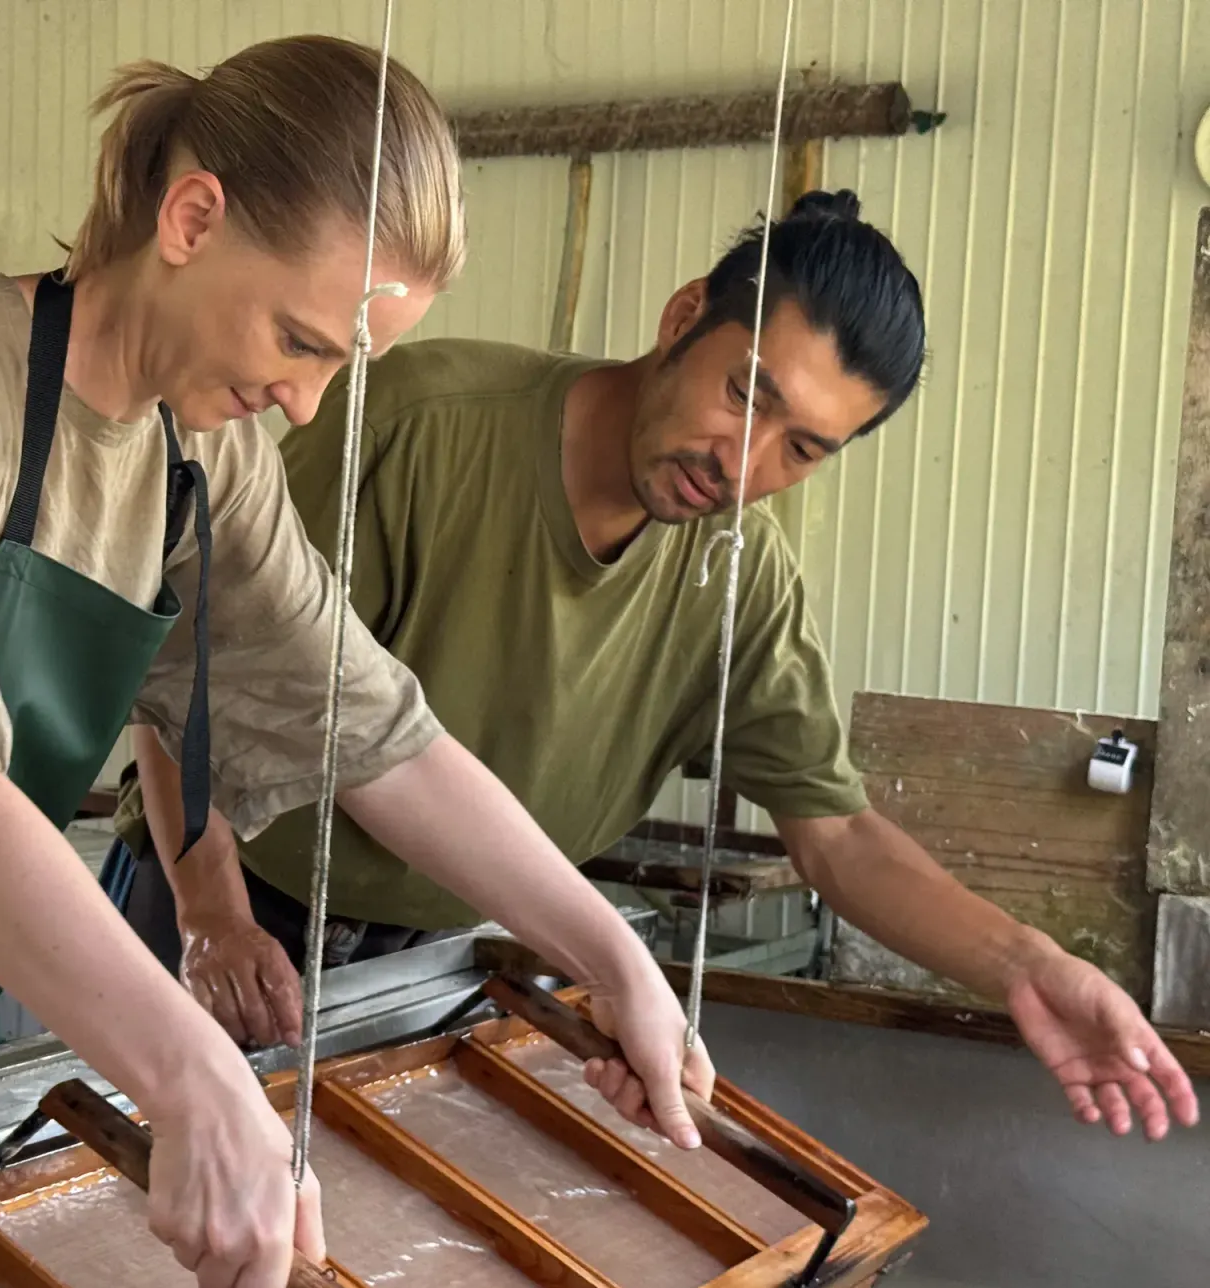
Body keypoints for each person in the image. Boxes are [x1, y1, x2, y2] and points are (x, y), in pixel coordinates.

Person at [0, 36, 713, 1288]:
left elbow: (370, 729)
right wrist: (192, 1074)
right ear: (191, 218)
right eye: (298, 341)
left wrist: (609, 958)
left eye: (338, 368)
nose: (305, 406)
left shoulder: (202, 458)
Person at [117, 189, 1201, 1144]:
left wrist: (1030, 967)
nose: (743, 464)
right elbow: (191, 676)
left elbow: (836, 836)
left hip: (451, 952)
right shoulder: (414, 424)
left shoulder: (742, 581)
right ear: (683, 318)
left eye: (803, 450)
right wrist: (213, 916)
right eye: (747, 394)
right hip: (230, 900)